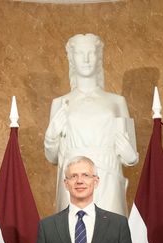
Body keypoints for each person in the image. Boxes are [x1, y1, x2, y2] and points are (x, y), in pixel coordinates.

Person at [44, 33, 138, 216]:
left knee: (110, 237)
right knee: (73, 236)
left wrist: (129, 154)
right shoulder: (61, 103)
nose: (86, 59)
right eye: (80, 53)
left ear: (98, 57)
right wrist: (51, 136)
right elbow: (52, 156)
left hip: (108, 178)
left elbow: (130, 156)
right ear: (72, 59)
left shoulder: (116, 102)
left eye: (91, 53)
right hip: (73, 180)